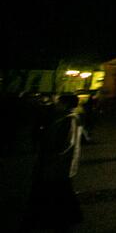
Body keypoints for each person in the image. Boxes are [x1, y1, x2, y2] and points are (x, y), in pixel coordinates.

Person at [27, 94, 83, 230]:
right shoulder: (66, 117)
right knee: (63, 188)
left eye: (59, 102)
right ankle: (67, 215)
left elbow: (66, 143)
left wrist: (52, 153)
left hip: (59, 163)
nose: (57, 104)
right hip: (59, 163)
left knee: (61, 188)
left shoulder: (69, 119)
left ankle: (66, 216)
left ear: (66, 104)